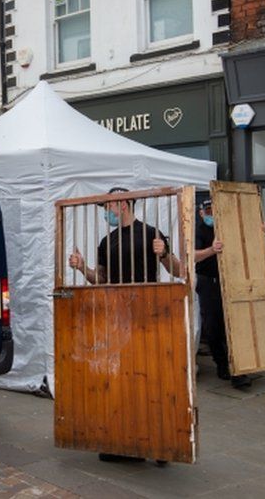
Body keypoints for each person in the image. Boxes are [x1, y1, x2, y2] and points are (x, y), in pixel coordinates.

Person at [67, 187, 182, 466]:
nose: (106, 211)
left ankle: (159, 443)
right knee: (123, 381)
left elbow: (179, 271)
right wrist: (83, 268)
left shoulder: (152, 232)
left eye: (108, 205)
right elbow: (102, 280)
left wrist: (165, 252)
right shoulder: (108, 241)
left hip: (148, 316)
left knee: (152, 380)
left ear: (122, 204)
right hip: (116, 319)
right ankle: (125, 440)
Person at [194, 199, 252, 390]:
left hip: (231, 280)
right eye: (208, 210)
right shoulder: (198, 231)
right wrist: (212, 250)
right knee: (213, 325)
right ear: (201, 212)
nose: (212, 214)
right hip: (208, 281)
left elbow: (246, 237)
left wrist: (259, 230)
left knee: (234, 324)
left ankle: (240, 370)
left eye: (214, 210)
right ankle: (222, 364)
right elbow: (192, 255)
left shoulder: (227, 226)